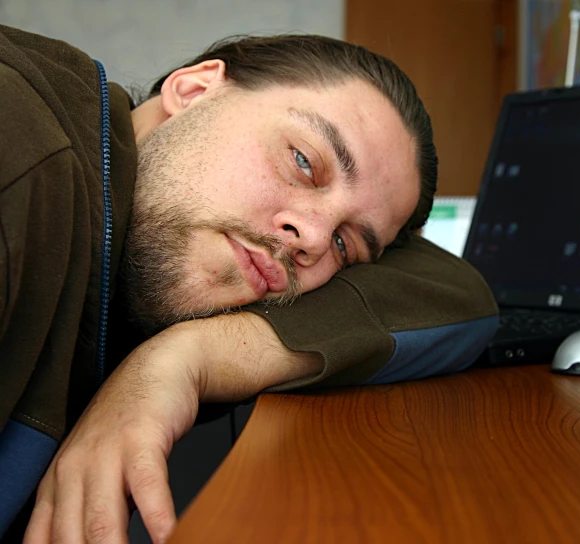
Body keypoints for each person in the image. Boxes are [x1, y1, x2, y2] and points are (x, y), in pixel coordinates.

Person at [0, 24, 498, 542]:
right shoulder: (20, 159)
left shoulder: (135, 226)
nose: (313, 236)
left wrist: (184, 360)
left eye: (347, 245)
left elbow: (458, 288)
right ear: (193, 89)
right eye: (304, 162)